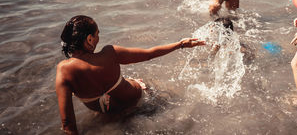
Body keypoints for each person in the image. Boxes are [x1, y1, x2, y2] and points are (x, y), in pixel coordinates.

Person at [55, 15, 205, 134]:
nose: (98, 38)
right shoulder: (110, 53)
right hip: (141, 100)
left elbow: (68, 124)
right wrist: (181, 44)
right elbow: (149, 54)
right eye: (97, 34)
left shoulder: (65, 71)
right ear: (89, 39)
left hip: (112, 116)